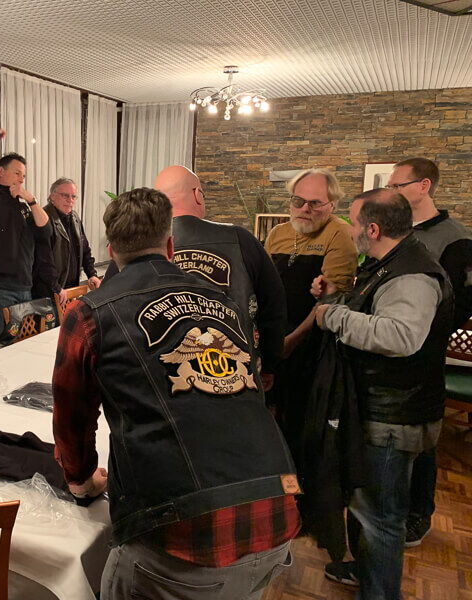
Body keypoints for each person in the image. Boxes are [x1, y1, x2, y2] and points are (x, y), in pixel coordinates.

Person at [53, 187, 300, 600]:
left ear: (111, 251)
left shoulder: (90, 312)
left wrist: (80, 481)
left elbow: (72, 416)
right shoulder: (225, 303)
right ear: (170, 246)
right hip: (277, 508)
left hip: (185, 536)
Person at [312, 188, 452, 600]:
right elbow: (374, 311)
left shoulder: (412, 275)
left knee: (380, 518)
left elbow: (400, 336)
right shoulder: (388, 263)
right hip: (378, 408)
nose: (349, 229)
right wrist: (334, 297)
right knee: (366, 506)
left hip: (394, 416)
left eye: (353, 222)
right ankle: (365, 572)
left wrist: (332, 315)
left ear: (372, 229)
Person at [386, 157, 472, 548]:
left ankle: (418, 514)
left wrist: (418, 331)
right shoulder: (394, 230)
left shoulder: (454, 238)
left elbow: (460, 303)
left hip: (423, 356)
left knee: (420, 440)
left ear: (423, 186)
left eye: (398, 185)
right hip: (387, 351)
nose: (392, 192)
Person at [154, 165, 286, 390]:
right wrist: (270, 364)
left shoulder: (140, 244)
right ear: (197, 195)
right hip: (237, 381)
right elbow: (273, 306)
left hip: (164, 381)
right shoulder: (240, 239)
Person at [263, 169, 357, 456]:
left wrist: (292, 341)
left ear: (332, 205)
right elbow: (262, 287)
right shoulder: (278, 233)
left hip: (312, 344)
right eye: (298, 201)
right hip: (275, 338)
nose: (305, 209)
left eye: (315, 203)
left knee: (300, 424)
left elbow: (331, 301)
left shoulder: (340, 234)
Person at [0, 129, 51, 352]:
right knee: (1, 349)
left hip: (25, 286)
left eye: (23, 175)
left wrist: (31, 200)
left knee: (22, 350)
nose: (21, 179)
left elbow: (45, 231)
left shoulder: (22, 205)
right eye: (17, 173)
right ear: (0, 172)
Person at [32, 178, 100, 301]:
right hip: (48, 291)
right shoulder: (43, 218)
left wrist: (92, 274)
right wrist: (56, 288)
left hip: (69, 289)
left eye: (73, 196)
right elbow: (43, 260)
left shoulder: (74, 217)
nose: (70, 200)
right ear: (52, 196)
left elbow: (85, 249)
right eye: (65, 196)